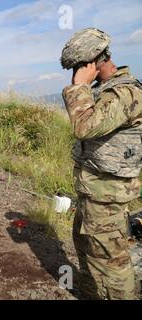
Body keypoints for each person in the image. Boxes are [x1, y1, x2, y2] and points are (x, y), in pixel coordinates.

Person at [61, 27, 142, 299]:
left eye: (77, 68)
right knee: (86, 246)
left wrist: (79, 87)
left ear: (93, 62)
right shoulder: (105, 91)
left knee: (111, 263)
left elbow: (84, 127)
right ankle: (91, 293)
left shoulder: (125, 93)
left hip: (107, 195)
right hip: (93, 191)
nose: (74, 75)